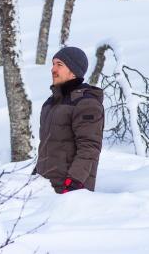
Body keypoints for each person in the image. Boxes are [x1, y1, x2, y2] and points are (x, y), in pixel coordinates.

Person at [33, 46, 104, 194]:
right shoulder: (50, 104)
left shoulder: (86, 104)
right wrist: (35, 175)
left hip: (70, 192)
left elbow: (89, 148)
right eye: (53, 64)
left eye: (59, 65)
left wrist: (74, 183)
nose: (53, 69)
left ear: (74, 72)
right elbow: (48, 147)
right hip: (44, 189)